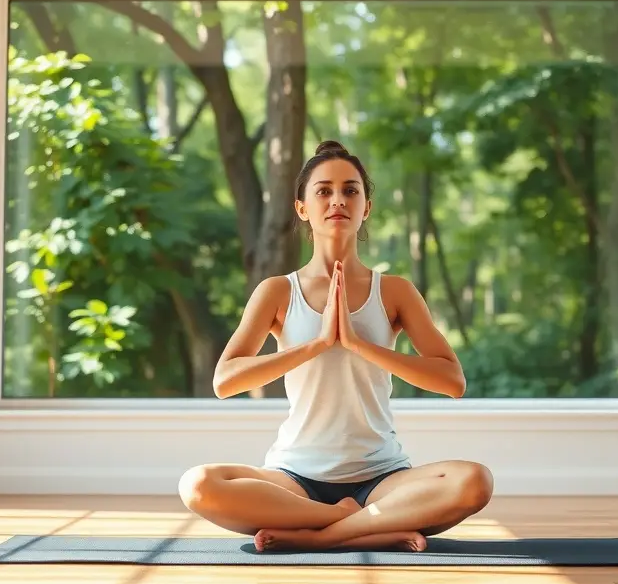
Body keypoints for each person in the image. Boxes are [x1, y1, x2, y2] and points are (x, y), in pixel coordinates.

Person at [177, 140, 494, 553]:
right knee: (198, 484)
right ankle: (358, 524)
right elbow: (225, 381)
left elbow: (452, 381)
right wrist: (319, 343)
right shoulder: (276, 292)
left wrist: (359, 344)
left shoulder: (395, 291)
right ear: (302, 208)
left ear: (367, 207)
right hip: (294, 479)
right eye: (323, 191)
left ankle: (324, 535)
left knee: (474, 481)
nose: (337, 200)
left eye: (350, 190)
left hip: (382, 476)